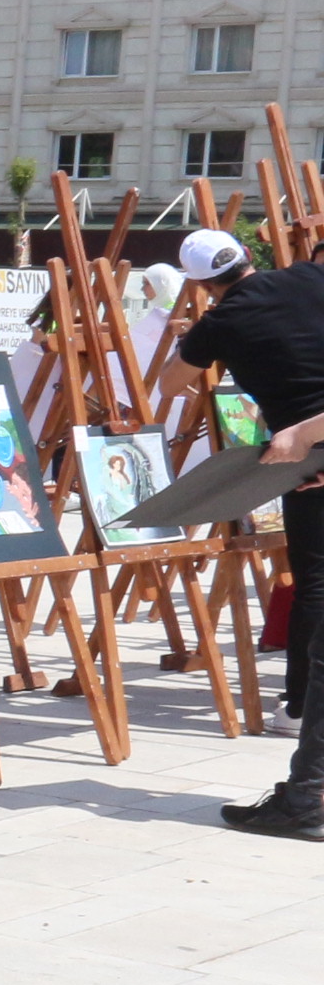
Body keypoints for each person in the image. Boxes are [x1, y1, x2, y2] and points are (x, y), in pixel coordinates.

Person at [172, 226, 324, 837]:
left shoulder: (220, 322)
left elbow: (168, 385)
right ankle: (307, 794)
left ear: (201, 282)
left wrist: (306, 436)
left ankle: (308, 800)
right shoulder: (310, 279)